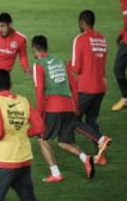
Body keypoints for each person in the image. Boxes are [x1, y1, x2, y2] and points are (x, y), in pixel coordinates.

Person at [32, 35, 96, 183]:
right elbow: (74, 84)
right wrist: (75, 107)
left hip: (53, 107)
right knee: (64, 142)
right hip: (68, 105)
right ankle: (86, 158)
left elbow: (40, 90)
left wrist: (39, 115)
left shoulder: (38, 65)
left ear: (34, 49)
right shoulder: (60, 61)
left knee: (42, 138)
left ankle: (56, 173)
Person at [0, 69, 43, 201]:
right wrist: (23, 133)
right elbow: (40, 127)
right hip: (24, 161)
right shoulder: (24, 101)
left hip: (6, 162)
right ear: (11, 84)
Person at [69, 10, 112, 165]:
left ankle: (101, 139)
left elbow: (75, 67)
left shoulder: (80, 39)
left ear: (81, 22)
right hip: (101, 86)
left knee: (71, 120)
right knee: (92, 121)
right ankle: (101, 156)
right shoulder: (102, 39)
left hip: (86, 87)